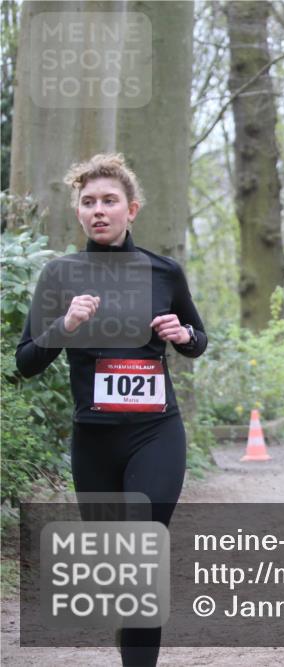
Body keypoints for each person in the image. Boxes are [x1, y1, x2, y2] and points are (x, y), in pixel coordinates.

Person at [15, 154, 207, 667]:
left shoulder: (163, 271)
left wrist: (183, 335)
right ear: (78, 213)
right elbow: (26, 361)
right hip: (94, 439)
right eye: (88, 202)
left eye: (109, 201)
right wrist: (66, 327)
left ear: (132, 209)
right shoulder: (61, 274)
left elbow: (196, 339)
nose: (99, 210)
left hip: (155, 432)